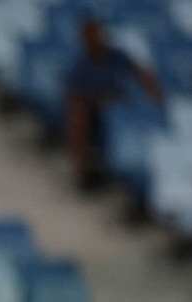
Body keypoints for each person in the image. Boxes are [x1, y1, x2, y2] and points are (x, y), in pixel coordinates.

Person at [63, 16, 162, 191]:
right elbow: (76, 98)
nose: (97, 39)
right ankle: (83, 170)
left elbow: (142, 73)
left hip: (122, 106)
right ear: (85, 39)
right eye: (92, 35)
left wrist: (155, 98)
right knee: (79, 117)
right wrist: (99, 102)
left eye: (100, 34)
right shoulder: (80, 67)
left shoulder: (116, 56)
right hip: (94, 113)